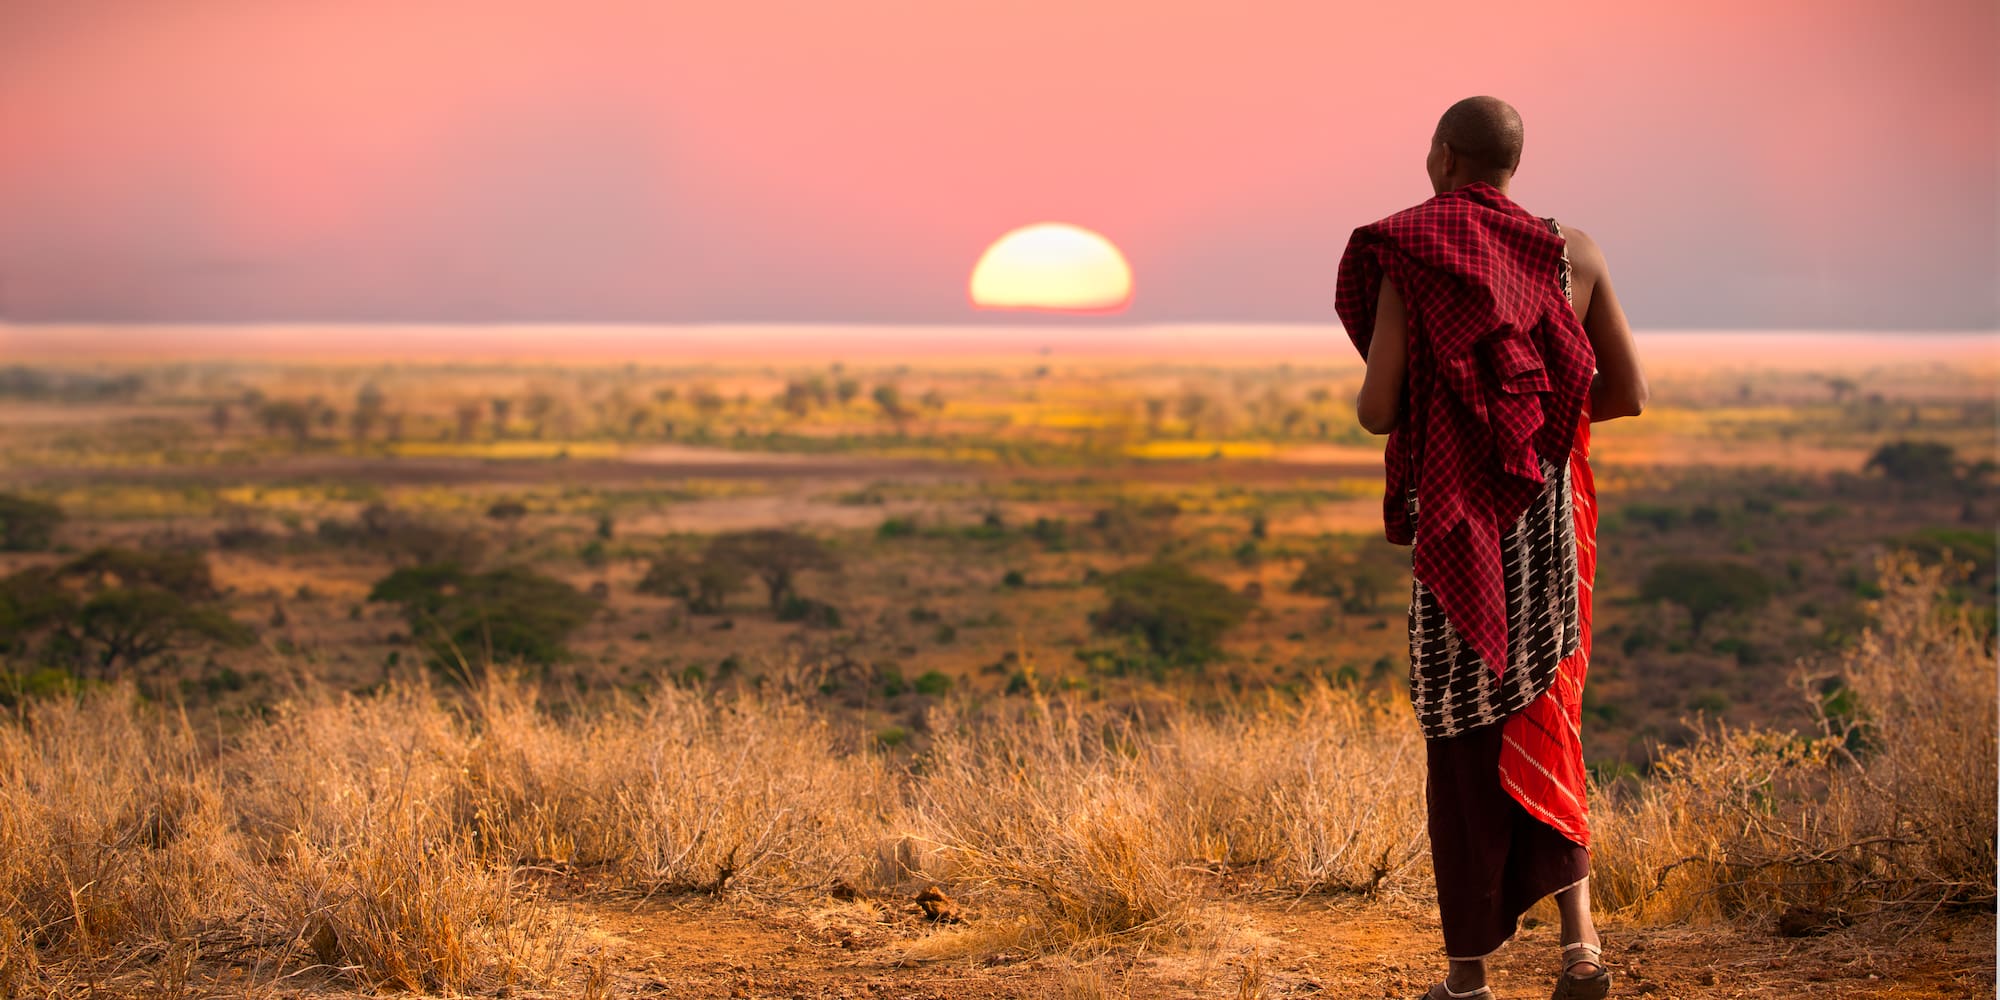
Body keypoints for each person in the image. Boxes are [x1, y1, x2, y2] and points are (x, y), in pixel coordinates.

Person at [1336, 96, 1649, 1000]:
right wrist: (1527, 416)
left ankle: (1468, 974)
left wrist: (1464, 420)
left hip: (1458, 528)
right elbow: (1622, 391)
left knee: (1461, 732)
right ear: (1512, 163)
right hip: (1542, 521)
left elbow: (1376, 409)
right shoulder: (1573, 252)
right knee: (1542, 713)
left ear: (1440, 159)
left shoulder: (1411, 255)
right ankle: (1580, 950)